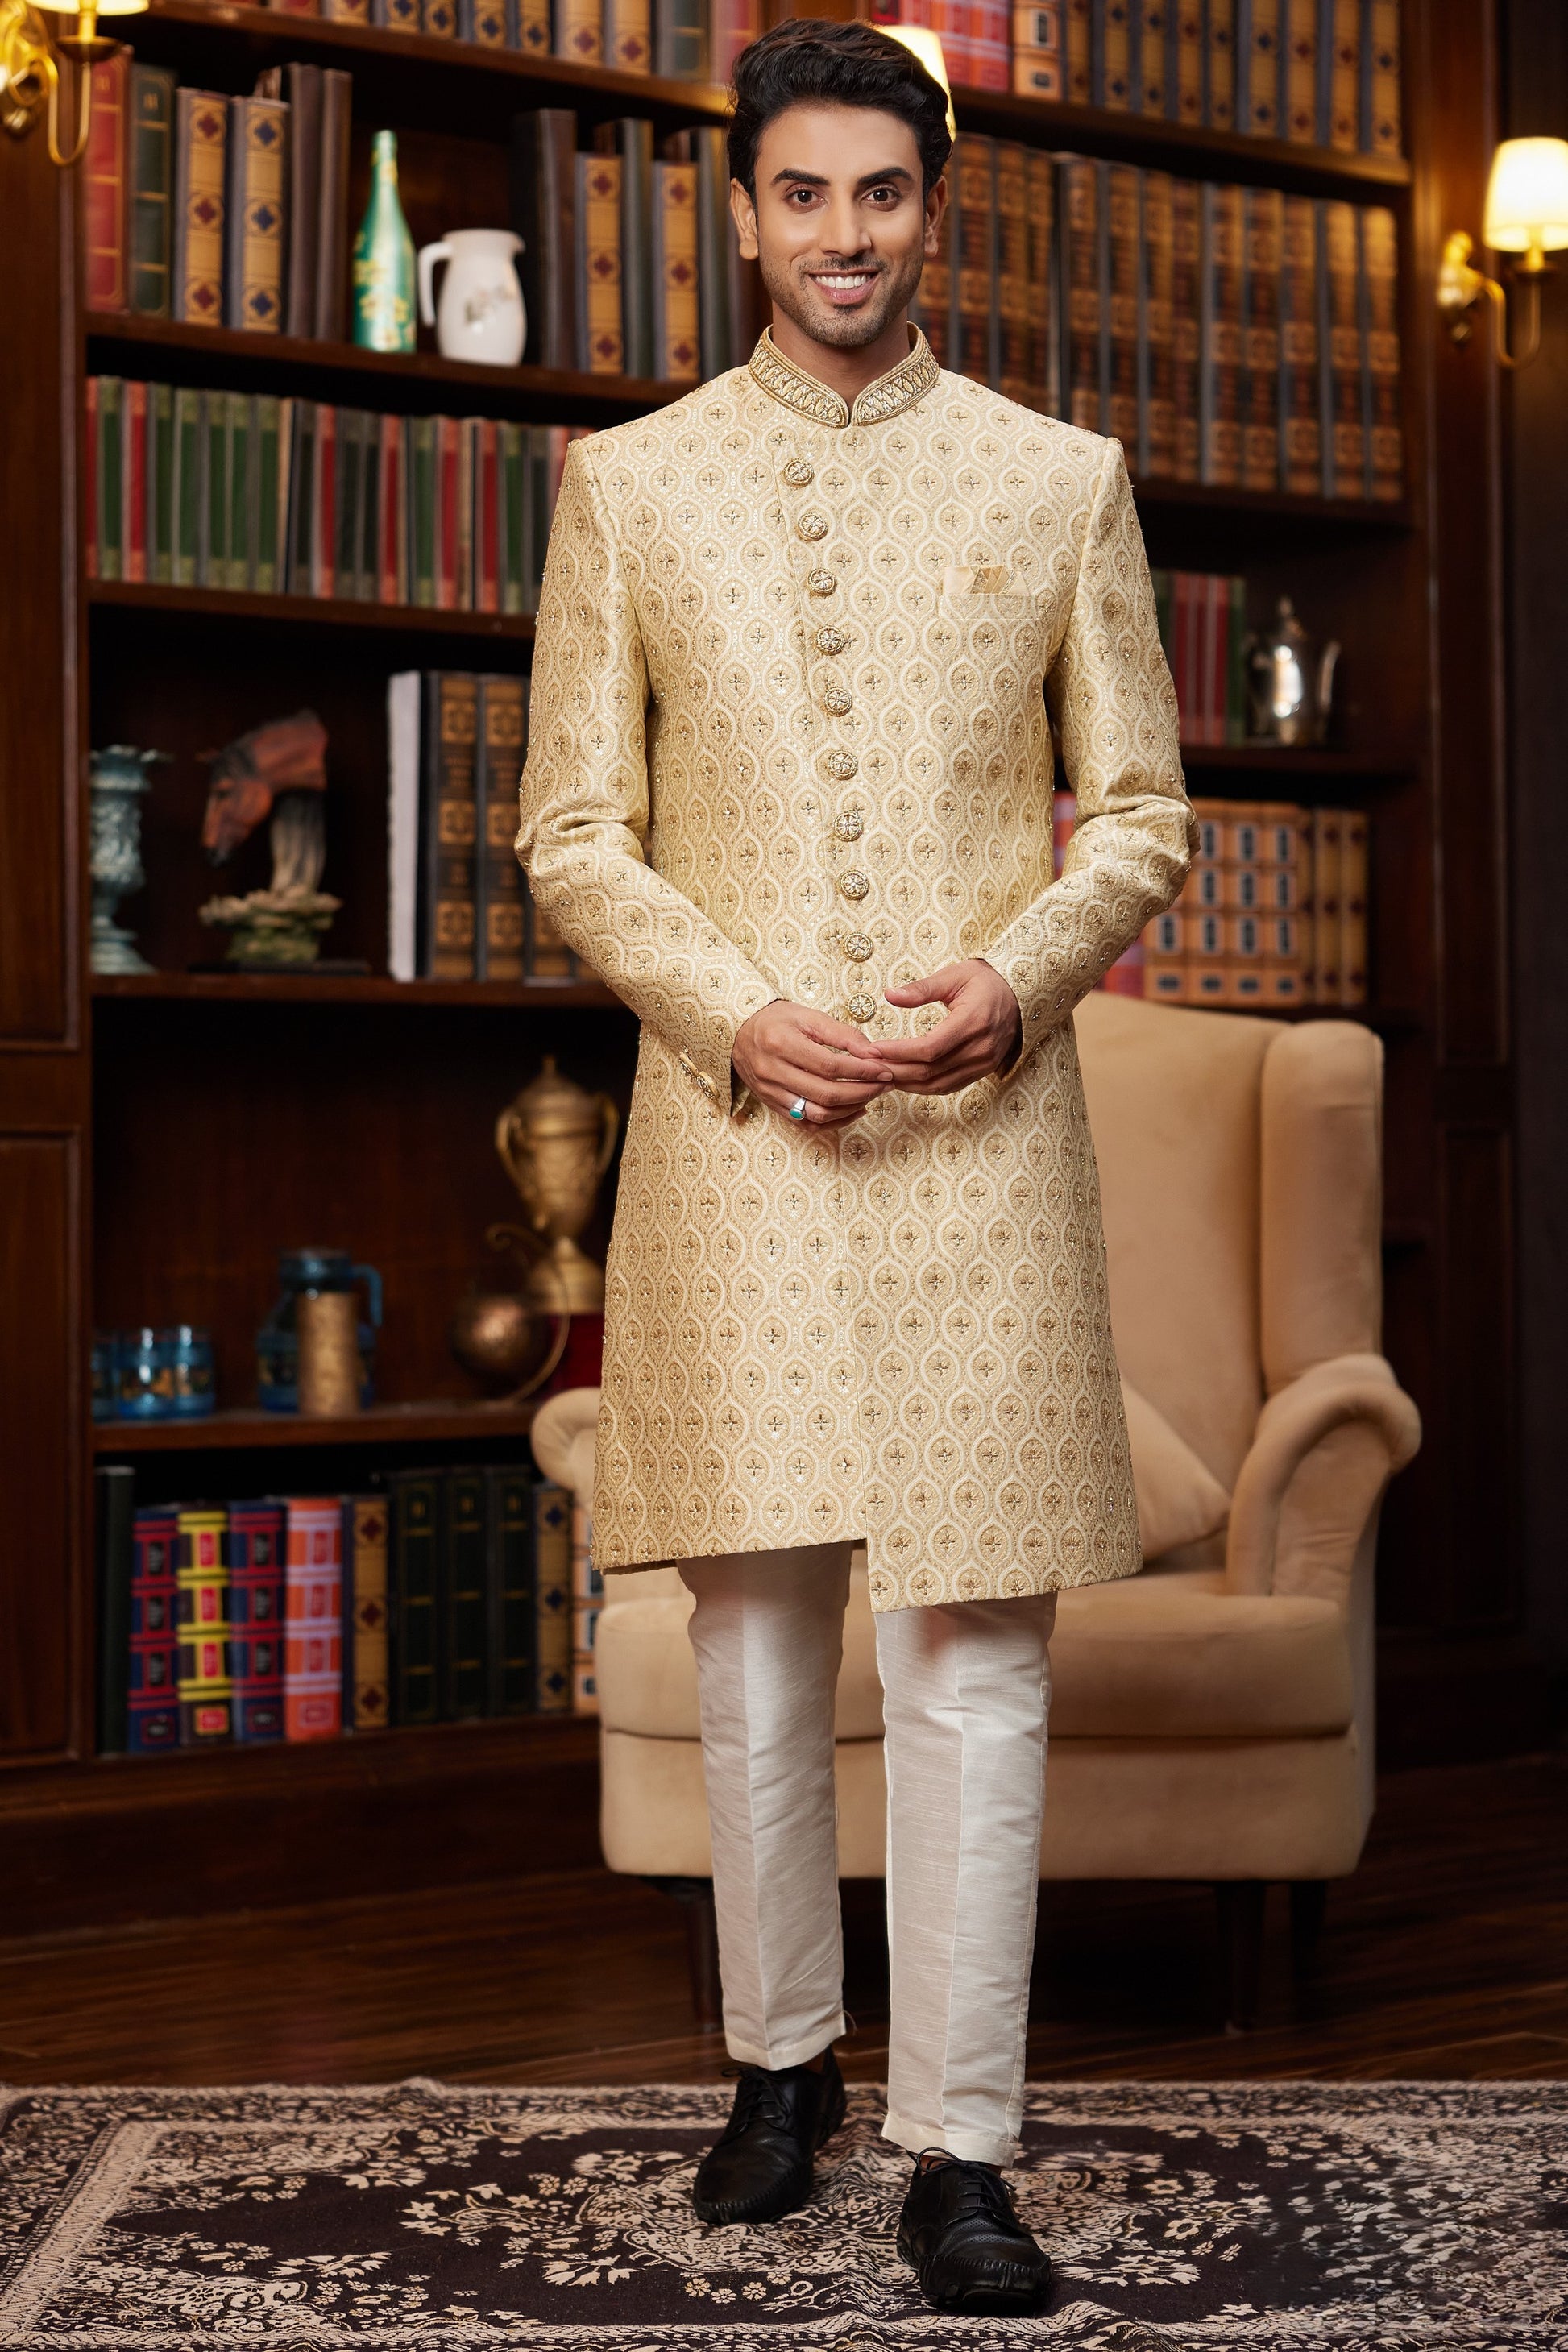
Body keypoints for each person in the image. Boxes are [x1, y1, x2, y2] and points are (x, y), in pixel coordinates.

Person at [517, 17, 1192, 2317]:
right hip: (734, 1144)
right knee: (754, 1635)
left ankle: (963, 2146)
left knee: (979, 1650)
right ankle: (779, 2062)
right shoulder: (629, 487)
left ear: (934, 207)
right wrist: (729, 1016)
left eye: (879, 193)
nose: (840, 235)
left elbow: (1140, 813)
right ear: (741, 215)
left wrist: (1013, 979)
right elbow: (574, 830)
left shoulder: (1059, 480)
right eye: (799, 194)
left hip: (982, 1140)